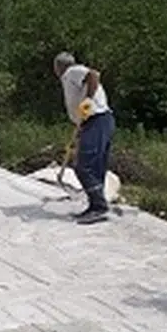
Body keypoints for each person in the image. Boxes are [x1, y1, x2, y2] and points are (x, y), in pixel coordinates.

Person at [54, 51, 115, 224]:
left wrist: (88, 100)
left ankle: (99, 206)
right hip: (94, 122)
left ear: (58, 67)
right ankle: (95, 205)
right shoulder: (69, 77)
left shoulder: (72, 71)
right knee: (95, 166)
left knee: (84, 166)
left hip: (97, 119)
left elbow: (93, 75)